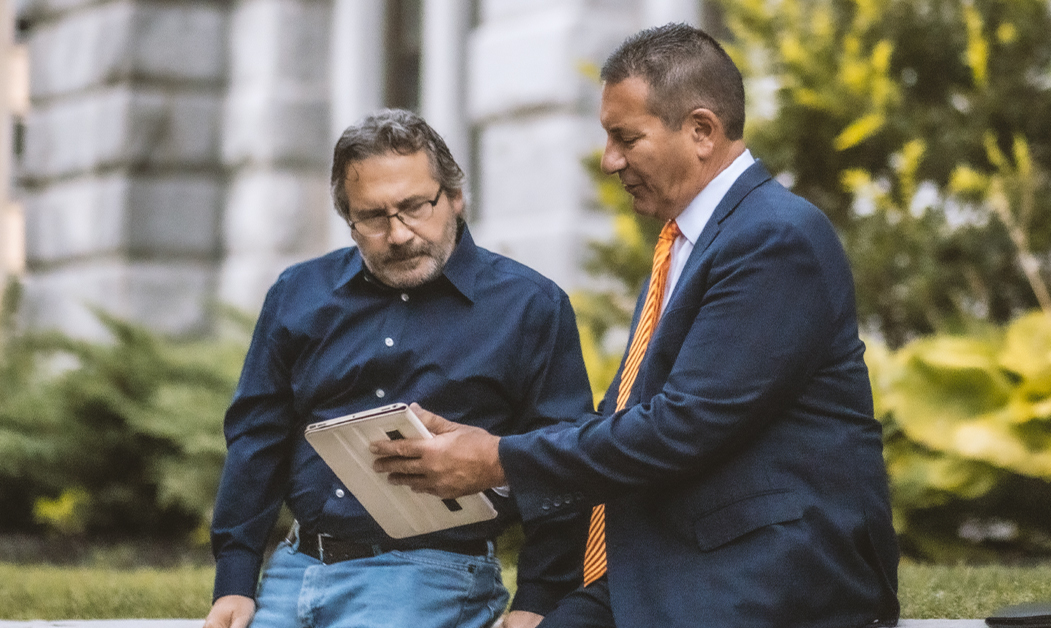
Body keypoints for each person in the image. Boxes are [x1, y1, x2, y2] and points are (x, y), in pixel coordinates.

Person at [372, 23, 902, 628]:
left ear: (701, 131)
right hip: (663, 565)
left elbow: (681, 427)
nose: (609, 160)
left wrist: (497, 458)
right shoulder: (690, 240)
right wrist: (474, 455)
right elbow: (630, 420)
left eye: (626, 138)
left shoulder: (776, 238)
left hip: (768, 576)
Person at [203, 109, 593, 628]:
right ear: (349, 219)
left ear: (454, 196)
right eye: (373, 217)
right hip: (294, 567)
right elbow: (257, 437)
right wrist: (234, 578)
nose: (399, 233)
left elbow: (561, 460)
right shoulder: (297, 295)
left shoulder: (530, 307)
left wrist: (539, 598)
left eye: (415, 207)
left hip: (434, 573)